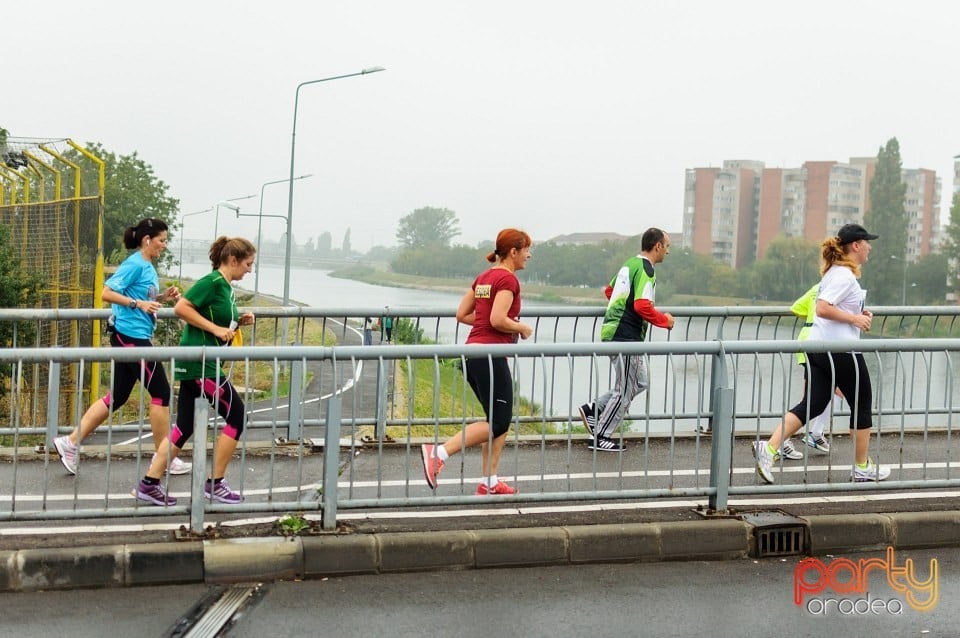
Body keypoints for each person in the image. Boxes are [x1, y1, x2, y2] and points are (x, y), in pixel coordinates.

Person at [753, 224, 891, 484]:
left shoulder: (834, 273)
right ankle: (862, 467)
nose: (870, 247)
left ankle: (768, 448)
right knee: (862, 404)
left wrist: (859, 317)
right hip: (839, 350)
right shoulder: (844, 276)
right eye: (867, 242)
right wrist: (854, 319)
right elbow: (823, 308)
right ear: (856, 246)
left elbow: (831, 308)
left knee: (813, 403)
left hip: (818, 348)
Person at [53, 218, 191, 476]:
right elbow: (107, 293)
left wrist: (161, 298)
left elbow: (142, 297)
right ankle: (165, 458)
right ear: (147, 240)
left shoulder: (147, 266)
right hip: (131, 337)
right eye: (162, 240)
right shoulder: (135, 263)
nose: (165, 245)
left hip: (134, 336)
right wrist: (138, 305)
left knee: (117, 396)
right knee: (161, 392)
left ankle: (69, 442)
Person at [133, 236, 256, 506]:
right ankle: (214, 483)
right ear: (233, 260)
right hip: (202, 364)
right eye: (248, 264)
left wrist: (238, 323)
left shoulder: (225, 287)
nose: (250, 269)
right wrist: (215, 329)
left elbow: (217, 322)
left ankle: (149, 483)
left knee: (185, 425)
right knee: (236, 416)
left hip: (200, 362)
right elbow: (181, 307)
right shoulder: (211, 283)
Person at [420, 228, 534, 495]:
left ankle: (490, 481)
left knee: (496, 419)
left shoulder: (484, 277)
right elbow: (497, 319)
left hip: (474, 353)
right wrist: (520, 328)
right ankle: (439, 453)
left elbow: (462, 314)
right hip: (490, 356)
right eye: (527, 250)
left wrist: (490, 324)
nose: (529, 255)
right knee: (499, 423)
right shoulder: (507, 280)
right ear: (513, 252)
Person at [578, 228, 675, 452]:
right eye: (667, 247)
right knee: (626, 389)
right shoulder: (647, 269)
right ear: (657, 246)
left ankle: (594, 409)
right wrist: (664, 321)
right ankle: (601, 435)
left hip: (613, 331)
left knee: (640, 382)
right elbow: (642, 305)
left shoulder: (630, 263)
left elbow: (610, 290)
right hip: (626, 335)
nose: (667, 252)